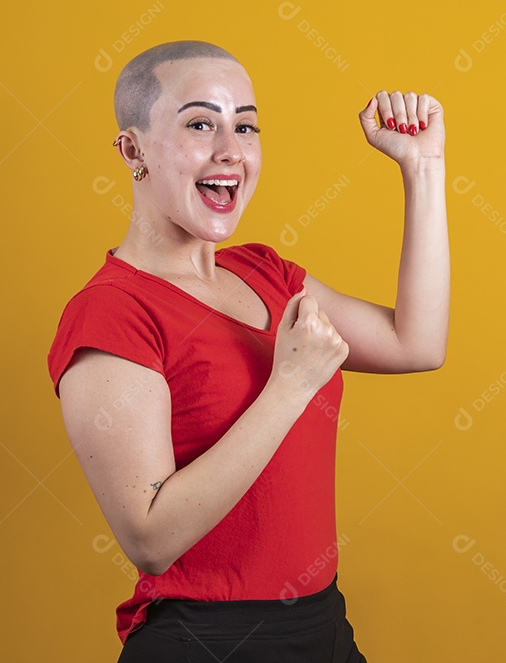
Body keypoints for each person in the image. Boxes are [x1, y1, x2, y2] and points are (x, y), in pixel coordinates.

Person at [47, 40, 449, 662]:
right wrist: (288, 386)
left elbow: (416, 343)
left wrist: (422, 169)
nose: (230, 151)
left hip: (323, 627)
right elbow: (151, 538)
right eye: (201, 124)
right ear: (133, 151)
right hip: (208, 642)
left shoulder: (266, 273)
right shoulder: (112, 313)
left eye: (246, 126)